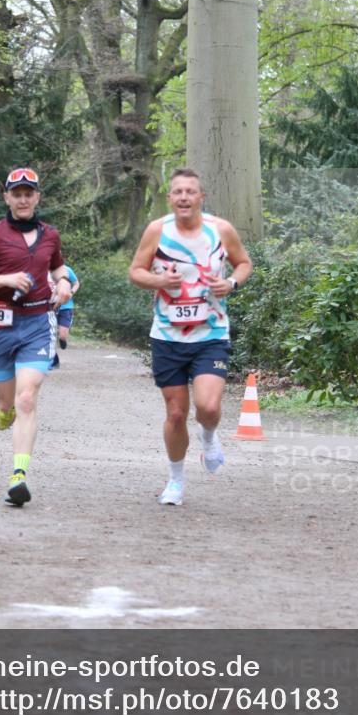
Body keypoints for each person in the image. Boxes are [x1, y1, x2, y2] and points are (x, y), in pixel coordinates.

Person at [129, 167, 253, 506]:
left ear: (201, 197)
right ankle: (176, 481)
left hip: (211, 333)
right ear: (170, 198)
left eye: (190, 191)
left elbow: (244, 263)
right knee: (175, 413)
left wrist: (231, 283)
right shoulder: (157, 231)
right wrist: (159, 281)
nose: (184, 197)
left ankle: (209, 437)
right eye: (178, 192)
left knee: (208, 407)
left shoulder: (220, 230)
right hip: (167, 336)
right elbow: (136, 272)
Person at [0, 168, 72, 507]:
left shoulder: (50, 235)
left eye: (29, 193)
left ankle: (18, 476)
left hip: (38, 322)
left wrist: (64, 284)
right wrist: (6, 279)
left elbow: (58, 268)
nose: (23, 199)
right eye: (17, 194)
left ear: (37, 197)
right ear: (7, 198)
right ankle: (1, 410)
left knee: (27, 399)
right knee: (7, 405)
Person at [51, 264, 80, 369]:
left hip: (66, 307)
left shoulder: (66, 270)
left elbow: (76, 283)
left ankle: (62, 340)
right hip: (51, 306)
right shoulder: (44, 269)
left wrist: (71, 292)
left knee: (62, 336)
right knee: (50, 334)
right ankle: (54, 359)